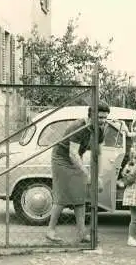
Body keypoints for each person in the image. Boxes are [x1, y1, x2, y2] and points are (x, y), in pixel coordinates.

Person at [46, 102, 109, 243]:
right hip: (61, 159)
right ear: (91, 115)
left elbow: (97, 154)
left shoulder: (101, 128)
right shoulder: (79, 127)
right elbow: (72, 153)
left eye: (105, 117)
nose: (102, 121)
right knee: (62, 196)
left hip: (75, 159)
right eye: (99, 117)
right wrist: (87, 174)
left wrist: (97, 176)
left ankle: (82, 234)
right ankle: (50, 230)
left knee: (79, 196)